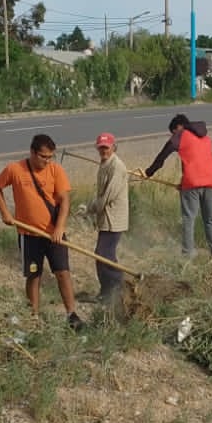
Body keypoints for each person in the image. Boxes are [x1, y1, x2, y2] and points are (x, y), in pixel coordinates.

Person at [0, 134, 83, 329]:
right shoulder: (15, 170)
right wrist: (5, 212)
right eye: (43, 156)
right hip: (28, 235)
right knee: (33, 275)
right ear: (32, 152)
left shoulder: (56, 171)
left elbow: (64, 201)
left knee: (62, 272)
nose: (47, 161)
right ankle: (33, 316)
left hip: (53, 234)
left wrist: (59, 228)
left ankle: (71, 313)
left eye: (50, 157)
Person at [141, 114, 212, 258]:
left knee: (189, 219)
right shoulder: (204, 135)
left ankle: (187, 255)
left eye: (173, 132)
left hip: (192, 183)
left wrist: (148, 173)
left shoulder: (181, 135)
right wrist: (184, 183)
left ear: (178, 127)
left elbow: (162, 156)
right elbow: (197, 160)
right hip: (211, 181)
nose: (173, 135)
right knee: (210, 219)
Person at [83, 133, 130, 311]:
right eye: (101, 147)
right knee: (103, 255)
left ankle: (117, 289)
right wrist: (89, 207)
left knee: (104, 255)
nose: (103, 150)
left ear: (113, 147)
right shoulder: (104, 164)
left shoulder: (117, 167)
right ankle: (108, 291)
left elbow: (106, 198)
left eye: (106, 147)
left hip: (114, 219)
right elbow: (100, 194)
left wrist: (90, 209)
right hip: (105, 219)